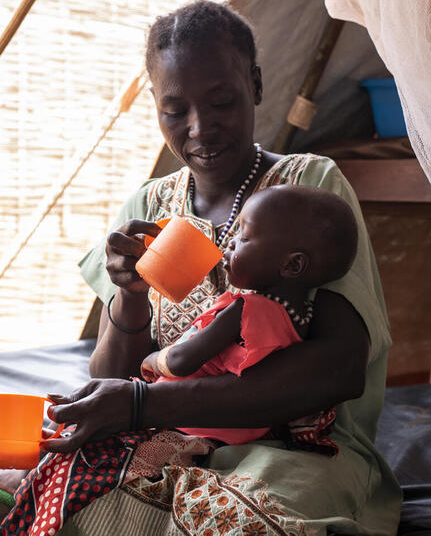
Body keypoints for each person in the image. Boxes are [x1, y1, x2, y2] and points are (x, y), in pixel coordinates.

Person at [0, 0, 401, 536]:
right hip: (173, 442)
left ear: (256, 85)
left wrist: (145, 403)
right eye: (174, 110)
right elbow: (111, 377)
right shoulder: (149, 205)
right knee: (68, 497)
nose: (200, 128)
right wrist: (131, 295)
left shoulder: (305, 189)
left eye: (221, 101)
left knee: (242, 522)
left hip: (295, 451)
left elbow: (339, 367)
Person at [139, 184, 359, 446]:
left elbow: (180, 361)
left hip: (187, 422)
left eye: (244, 237)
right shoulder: (302, 321)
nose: (231, 242)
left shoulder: (245, 309)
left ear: (292, 264)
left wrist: (151, 361)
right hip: (243, 432)